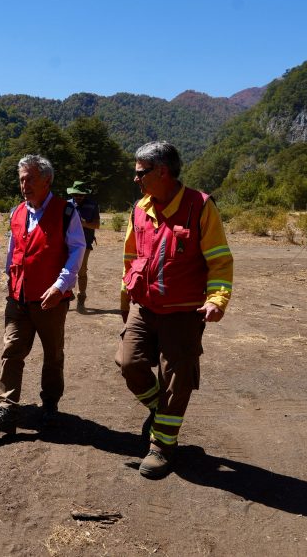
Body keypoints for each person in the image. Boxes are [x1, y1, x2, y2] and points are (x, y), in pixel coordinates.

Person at [117, 141, 233, 478]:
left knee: (176, 380)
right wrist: (125, 301)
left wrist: (217, 299)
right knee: (129, 363)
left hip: (184, 311)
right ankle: (160, 411)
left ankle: (162, 446)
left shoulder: (200, 206)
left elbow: (220, 261)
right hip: (144, 305)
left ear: (162, 171)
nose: (136, 179)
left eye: (141, 173)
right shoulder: (140, 208)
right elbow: (129, 258)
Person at [0, 155, 85, 435]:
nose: (24, 184)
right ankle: (7, 409)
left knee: (52, 355)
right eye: (22, 179)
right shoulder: (16, 212)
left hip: (51, 299)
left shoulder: (66, 212)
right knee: (11, 350)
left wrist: (60, 285)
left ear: (47, 180)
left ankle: (49, 405)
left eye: (30, 178)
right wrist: (9, 282)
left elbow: (76, 251)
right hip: (18, 298)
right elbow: (13, 251)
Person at [66, 180, 100, 311]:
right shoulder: (67, 205)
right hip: (67, 242)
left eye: (81, 195)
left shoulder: (92, 205)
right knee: (66, 268)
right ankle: (68, 293)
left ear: (85, 195)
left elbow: (96, 225)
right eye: (76, 195)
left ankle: (82, 297)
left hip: (85, 243)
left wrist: (83, 223)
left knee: (81, 270)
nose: (78, 197)